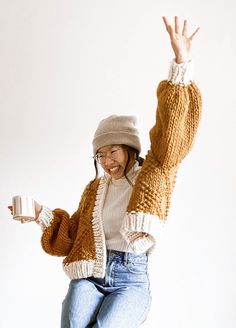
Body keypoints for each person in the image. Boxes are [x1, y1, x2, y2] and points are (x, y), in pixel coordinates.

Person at [9, 16, 202, 328]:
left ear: (129, 149)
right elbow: (72, 235)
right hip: (90, 276)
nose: (106, 160)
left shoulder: (154, 172)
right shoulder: (95, 189)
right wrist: (39, 214)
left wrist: (181, 64)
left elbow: (171, 132)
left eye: (112, 151)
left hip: (131, 281)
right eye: (99, 155)